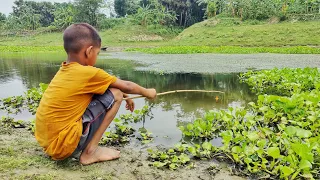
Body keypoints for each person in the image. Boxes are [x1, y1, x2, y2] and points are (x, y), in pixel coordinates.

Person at [35, 23, 157, 165]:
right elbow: (127, 86)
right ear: (89, 51)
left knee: (117, 92)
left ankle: (86, 149)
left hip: (49, 144)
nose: (97, 57)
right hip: (63, 146)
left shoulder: (65, 71)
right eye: (97, 53)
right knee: (116, 94)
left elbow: (102, 89)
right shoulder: (89, 73)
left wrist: (127, 96)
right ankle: (90, 152)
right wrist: (149, 92)